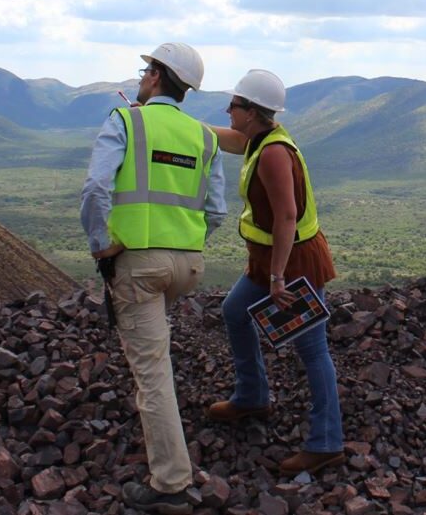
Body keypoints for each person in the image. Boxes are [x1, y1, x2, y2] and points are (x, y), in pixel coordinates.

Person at [79, 42, 224, 514]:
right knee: (155, 358)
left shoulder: (126, 120)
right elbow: (216, 212)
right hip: (187, 266)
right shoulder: (204, 137)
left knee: (153, 374)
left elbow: (97, 187)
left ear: (158, 77)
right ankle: (173, 456)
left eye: (145, 71)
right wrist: (182, 238)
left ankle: (171, 485)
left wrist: (102, 243)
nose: (140, 78)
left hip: (139, 265)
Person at [203, 69, 345, 475]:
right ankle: (252, 396)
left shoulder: (272, 153)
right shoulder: (258, 139)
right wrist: (170, 123)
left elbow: (286, 217)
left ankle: (326, 443)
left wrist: (278, 279)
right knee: (234, 311)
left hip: (292, 265)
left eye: (233, 104)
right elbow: (219, 138)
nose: (228, 109)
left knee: (312, 349)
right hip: (268, 262)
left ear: (251, 112)